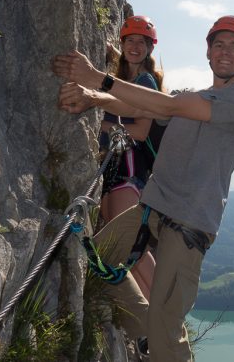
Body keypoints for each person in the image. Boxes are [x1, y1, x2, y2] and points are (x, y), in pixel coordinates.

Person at [52, 15, 234, 362]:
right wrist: (94, 96)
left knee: (168, 339)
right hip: (151, 207)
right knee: (98, 258)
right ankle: (150, 329)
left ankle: (161, 336)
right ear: (208, 52)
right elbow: (139, 106)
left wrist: (98, 79)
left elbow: (166, 106)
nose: (226, 52)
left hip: (189, 223)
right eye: (219, 45)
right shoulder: (192, 96)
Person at [97, 15, 163, 300]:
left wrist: (98, 122)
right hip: (112, 168)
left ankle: (165, 314)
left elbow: (140, 130)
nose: (135, 47)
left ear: (150, 48)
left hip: (129, 170)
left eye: (142, 42)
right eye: (130, 41)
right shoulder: (124, 78)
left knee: (132, 247)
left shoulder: (146, 81)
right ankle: (148, 316)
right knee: (117, 248)